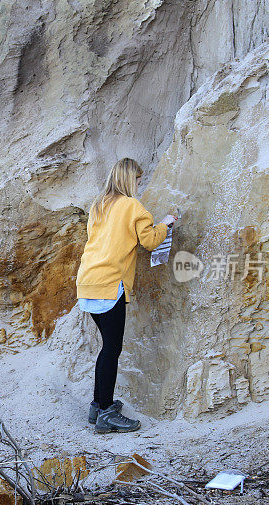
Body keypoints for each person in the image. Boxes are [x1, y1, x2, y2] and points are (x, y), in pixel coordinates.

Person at [75, 158, 177, 434]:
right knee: (112, 349)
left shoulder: (99, 205)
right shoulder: (132, 206)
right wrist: (167, 223)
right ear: (130, 179)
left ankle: (98, 406)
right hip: (109, 285)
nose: (139, 184)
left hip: (87, 282)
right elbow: (151, 241)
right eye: (138, 179)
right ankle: (106, 413)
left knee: (107, 347)